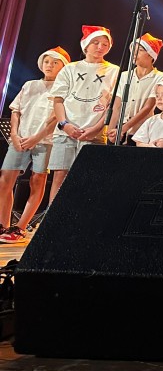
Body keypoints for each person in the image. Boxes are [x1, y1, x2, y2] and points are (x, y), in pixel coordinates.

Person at [0, 47, 69, 244]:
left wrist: (37, 137)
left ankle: (20, 227)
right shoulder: (30, 85)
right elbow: (16, 110)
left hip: (45, 142)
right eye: (47, 61)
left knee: (37, 180)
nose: (50, 65)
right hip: (20, 139)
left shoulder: (62, 89)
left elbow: (56, 118)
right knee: (5, 180)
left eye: (55, 62)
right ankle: (3, 224)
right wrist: (14, 134)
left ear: (63, 66)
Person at [47, 26, 120, 203]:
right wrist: (65, 125)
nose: (100, 47)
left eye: (105, 44)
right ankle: (53, 223)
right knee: (60, 176)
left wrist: (97, 128)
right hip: (67, 131)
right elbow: (58, 100)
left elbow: (114, 106)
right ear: (86, 45)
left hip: (94, 134)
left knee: (88, 179)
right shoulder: (70, 69)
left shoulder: (114, 71)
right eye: (96, 42)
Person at [107, 33, 163, 145]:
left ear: (151, 55)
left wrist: (123, 129)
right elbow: (117, 106)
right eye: (133, 49)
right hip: (119, 130)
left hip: (142, 131)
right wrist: (111, 131)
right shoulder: (125, 75)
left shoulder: (160, 77)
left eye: (139, 50)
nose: (134, 53)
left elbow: (148, 107)